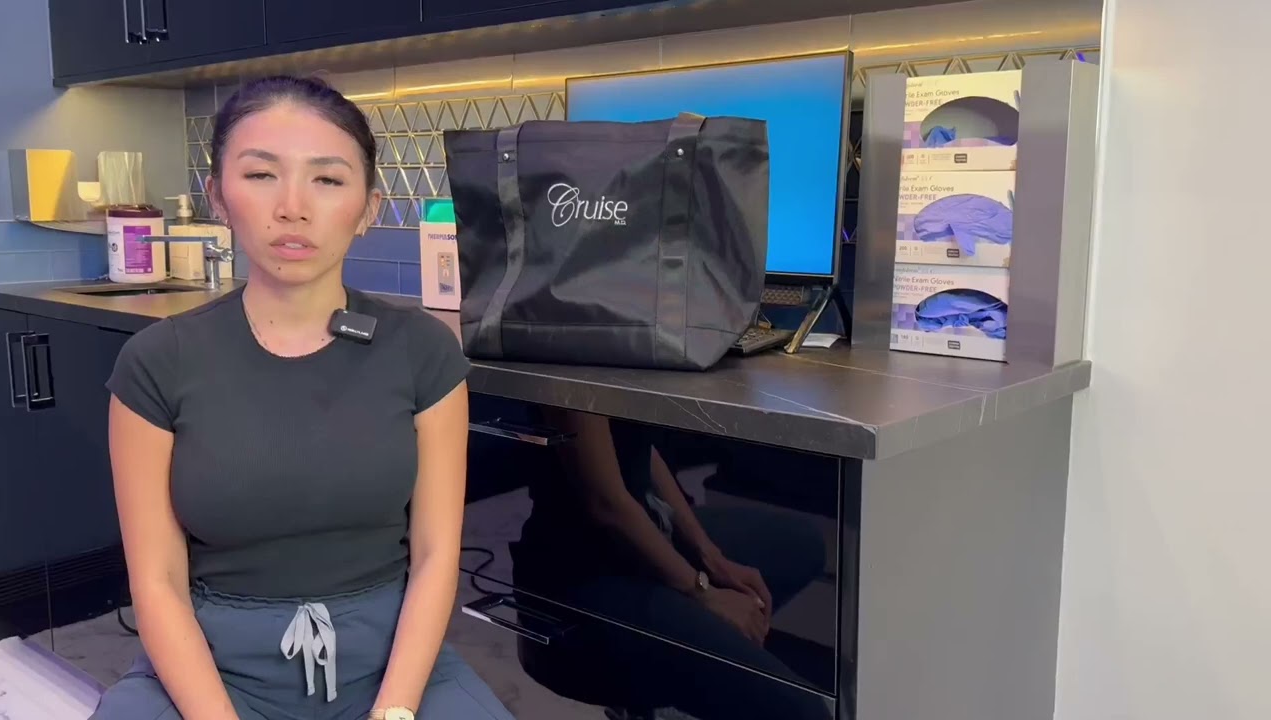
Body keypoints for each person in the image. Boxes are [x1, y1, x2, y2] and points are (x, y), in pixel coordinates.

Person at [90, 75, 515, 720]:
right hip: (211, 663)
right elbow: (157, 581)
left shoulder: (421, 351)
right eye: (261, 175)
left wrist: (396, 710)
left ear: (369, 208)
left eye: (327, 178)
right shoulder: (158, 363)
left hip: (391, 662)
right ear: (218, 197)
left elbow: (434, 556)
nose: (293, 206)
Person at [510, 410, 834, 720]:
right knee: (804, 712)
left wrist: (710, 555)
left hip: (644, 534)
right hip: (582, 575)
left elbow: (640, 449)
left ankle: (694, 657)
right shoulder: (572, 353)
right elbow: (606, 504)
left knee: (798, 543)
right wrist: (702, 591)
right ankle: (680, 657)